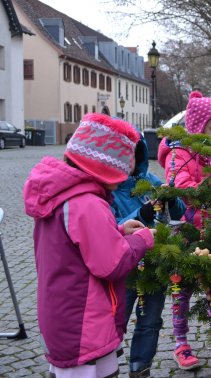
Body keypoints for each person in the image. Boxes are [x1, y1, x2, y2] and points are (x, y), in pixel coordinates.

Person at [23, 113, 156, 378]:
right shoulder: (88, 203)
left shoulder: (63, 196)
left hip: (64, 314)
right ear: (104, 168)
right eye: (122, 171)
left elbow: (75, 244)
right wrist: (143, 239)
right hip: (84, 321)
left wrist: (117, 230)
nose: (125, 178)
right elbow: (113, 263)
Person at [157, 90, 211, 370]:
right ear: (198, 126)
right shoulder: (179, 153)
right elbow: (179, 185)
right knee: (182, 289)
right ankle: (180, 342)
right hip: (187, 233)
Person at [111, 130, 187, 377]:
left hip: (154, 267)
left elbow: (178, 214)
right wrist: (141, 215)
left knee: (150, 320)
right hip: (124, 270)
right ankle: (106, 359)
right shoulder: (108, 192)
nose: (127, 163)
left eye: (132, 156)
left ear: (140, 156)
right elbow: (110, 228)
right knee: (115, 317)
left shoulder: (150, 182)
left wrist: (172, 199)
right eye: (121, 157)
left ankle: (140, 368)